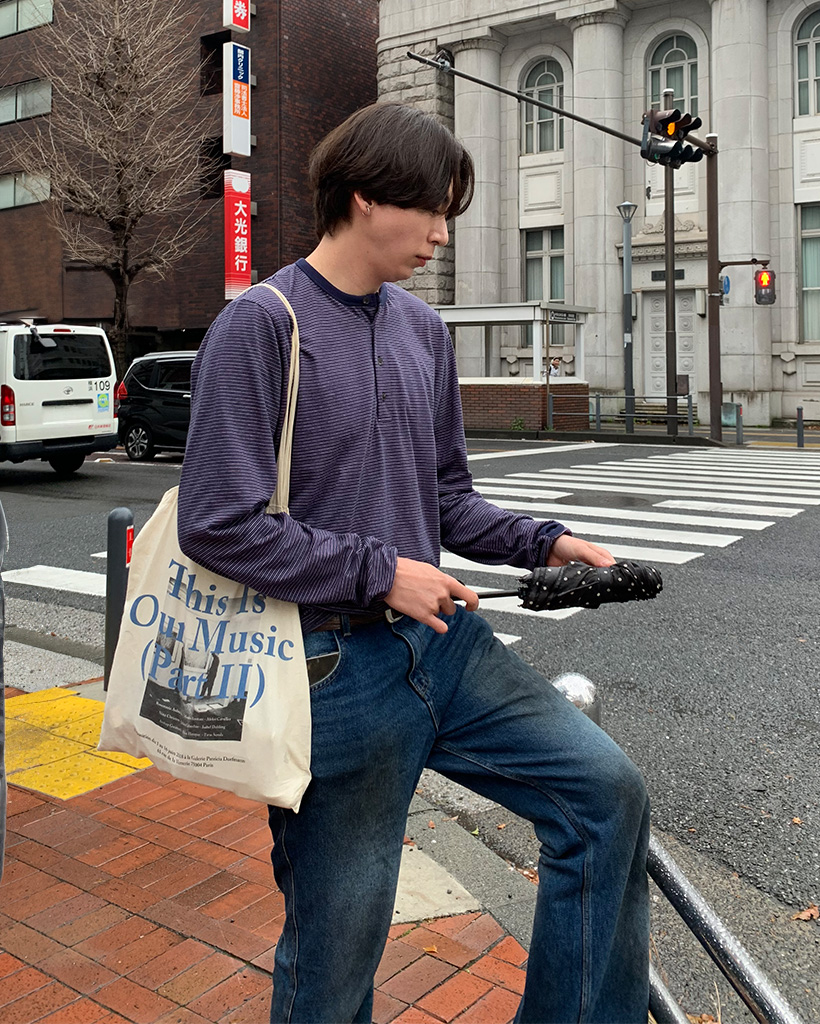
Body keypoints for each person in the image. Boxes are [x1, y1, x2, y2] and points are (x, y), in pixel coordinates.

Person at [178, 102, 650, 1024]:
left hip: (444, 644)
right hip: (329, 672)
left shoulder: (422, 330)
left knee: (606, 796)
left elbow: (445, 499)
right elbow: (218, 525)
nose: (441, 233)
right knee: (337, 946)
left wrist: (544, 540)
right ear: (364, 197)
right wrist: (382, 571)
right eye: (431, 210)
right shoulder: (262, 326)